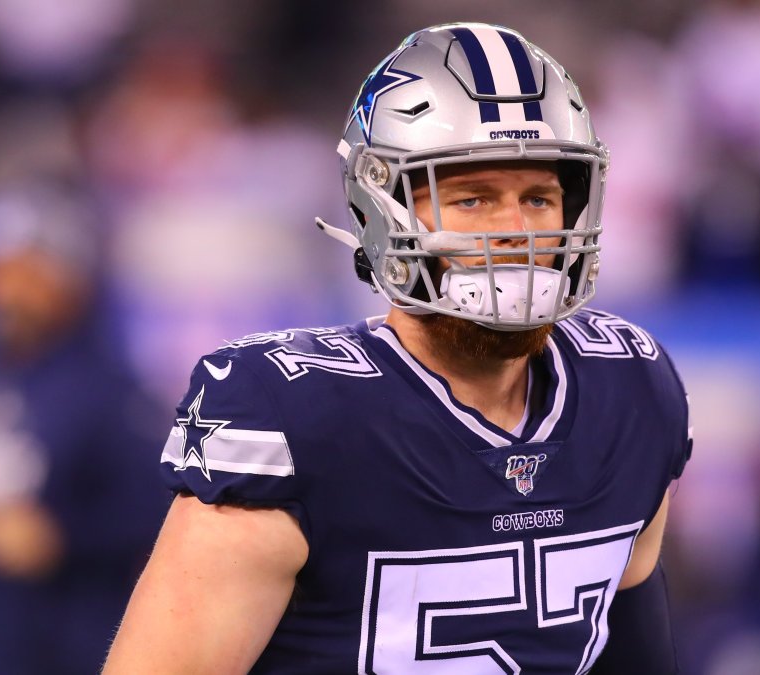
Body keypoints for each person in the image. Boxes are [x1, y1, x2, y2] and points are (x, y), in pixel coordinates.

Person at [105, 22, 692, 674]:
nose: (515, 229)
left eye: (538, 196)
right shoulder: (292, 413)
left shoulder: (629, 389)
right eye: (472, 198)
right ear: (382, 212)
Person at [0, 181, 169, 674]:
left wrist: (64, 538)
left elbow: (159, 516)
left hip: (61, 652)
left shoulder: (109, 392)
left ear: (69, 281)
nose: (1, 291)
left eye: (23, 273)